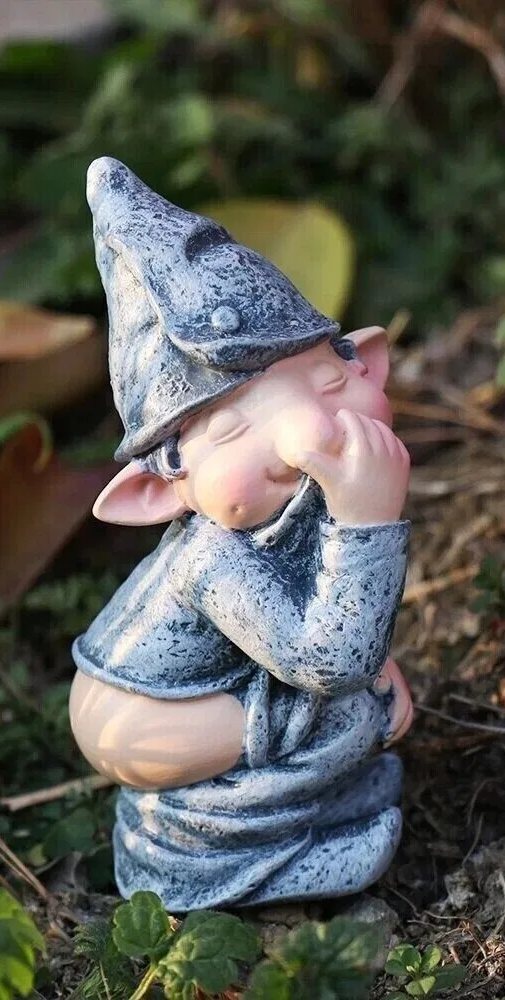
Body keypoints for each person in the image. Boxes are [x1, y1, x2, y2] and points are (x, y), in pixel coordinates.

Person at [69, 157, 414, 911]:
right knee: (346, 715)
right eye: (230, 432)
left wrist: (377, 663)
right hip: (147, 717)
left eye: (328, 385)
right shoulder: (210, 558)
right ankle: (234, 855)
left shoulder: (305, 497)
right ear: (158, 492)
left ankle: (313, 810)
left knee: (356, 710)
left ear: (370, 367)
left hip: (245, 674)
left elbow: (324, 608)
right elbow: (328, 659)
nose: (303, 436)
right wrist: (368, 521)